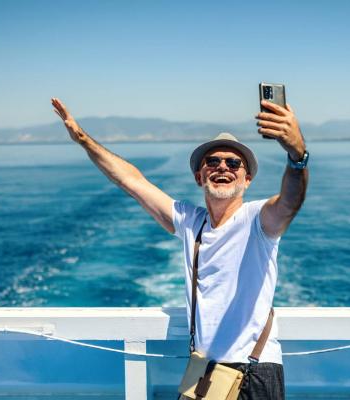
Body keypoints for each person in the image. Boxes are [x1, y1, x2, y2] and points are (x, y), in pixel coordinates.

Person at [51, 97, 308, 399]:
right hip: (204, 373)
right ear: (199, 176)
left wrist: (296, 154)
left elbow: (291, 200)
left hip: (255, 371)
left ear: (246, 179)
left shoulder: (259, 220)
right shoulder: (191, 222)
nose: (222, 167)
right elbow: (132, 181)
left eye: (234, 163)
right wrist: (83, 139)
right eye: (212, 162)